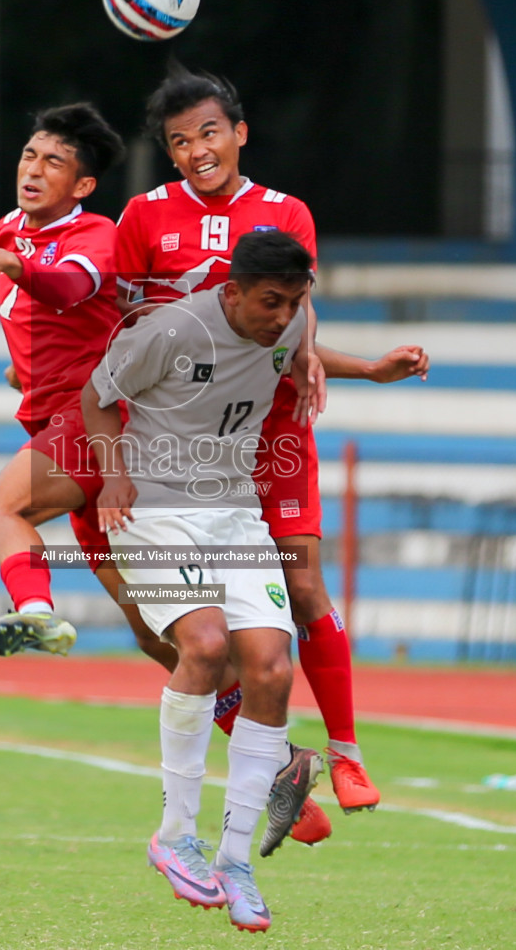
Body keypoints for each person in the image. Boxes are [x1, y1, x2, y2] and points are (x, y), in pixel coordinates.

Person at [109, 68, 430, 836]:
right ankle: (284, 767)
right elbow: (119, 329)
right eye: (179, 142)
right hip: (179, 442)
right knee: (175, 634)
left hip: (272, 426)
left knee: (303, 583)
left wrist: (331, 354)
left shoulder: (285, 212)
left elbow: (295, 315)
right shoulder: (142, 218)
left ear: (241, 132)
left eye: (209, 133)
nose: (197, 151)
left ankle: (346, 751)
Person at [81, 230, 315, 933]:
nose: (282, 318)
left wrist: (366, 368)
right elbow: (97, 397)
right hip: (153, 506)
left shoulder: (293, 321)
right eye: (270, 302)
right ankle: (175, 833)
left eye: (294, 303)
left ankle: (234, 860)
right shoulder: (172, 329)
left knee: (273, 671)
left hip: (234, 512)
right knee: (207, 648)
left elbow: (299, 351)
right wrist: (112, 472)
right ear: (231, 290)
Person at [0, 103, 162, 664]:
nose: (33, 171)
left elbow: (69, 287)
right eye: (29, 155)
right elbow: (47, 316)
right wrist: (25, 367)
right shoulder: (9, 229)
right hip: (57, 419)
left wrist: (14, 267)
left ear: (83, 184)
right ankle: (274, 747)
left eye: (54, 163)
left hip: (96, 417)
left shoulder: (96, 234)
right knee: (158, 635)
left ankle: (36, 616)